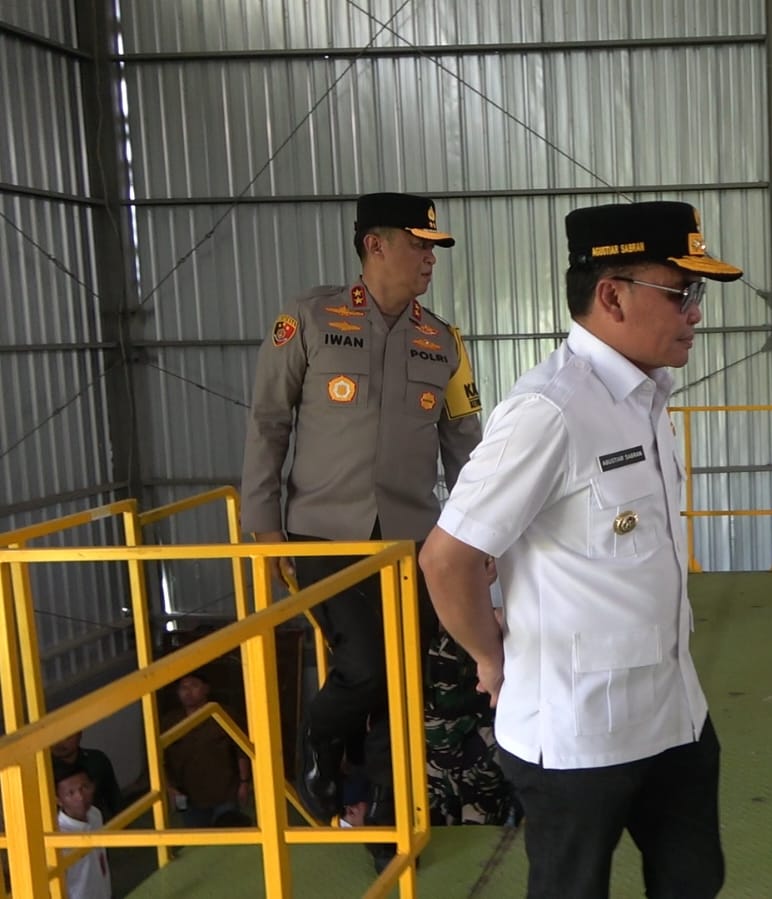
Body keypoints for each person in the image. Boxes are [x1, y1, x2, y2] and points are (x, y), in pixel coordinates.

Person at [419, 200, 741, 899]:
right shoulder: (551, 410)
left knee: (693, 879)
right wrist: (490, 658)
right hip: (579, 733)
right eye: (681, 292)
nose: (695, 313)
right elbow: (448, 558)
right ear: (612, 296)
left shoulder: (644, 398)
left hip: (673, 714)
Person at [239, 192, 509, 833]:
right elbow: (269, 421)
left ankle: (390, 817)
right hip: (323, 534)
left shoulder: (443, 340)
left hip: (414, 541)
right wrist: (264, 523)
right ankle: (318, 739)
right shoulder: (308, 318)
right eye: (419, 245)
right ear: (374, 245)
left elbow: (465, 449)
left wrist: (478, 539)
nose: (430, 259)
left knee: (403, 680)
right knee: (366, 667)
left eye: (433, 249)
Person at [162, 670, 251, 828]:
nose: (188, 692)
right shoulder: (170, 721)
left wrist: (244, 782)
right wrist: (169, 788)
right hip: (185, 793)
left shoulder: (223, 714)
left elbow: (241, 750)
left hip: (225, 790)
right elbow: (161, 759)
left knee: (227, 832)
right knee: (195, 836)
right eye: (183, 688)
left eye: (194, 686)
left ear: (206, 689)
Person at [54, 763, 112, 899]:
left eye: (85, 787)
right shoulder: (58, 837)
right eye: (71, 793)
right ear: (58, 800)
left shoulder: (95, 814)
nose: (80, 797)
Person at [50, 730, 122, 822]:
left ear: (79, 734)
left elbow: (114, 801)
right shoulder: (41, 771)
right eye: (53, 736)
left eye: (67, 736)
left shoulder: (97, 760)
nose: (60, 742)